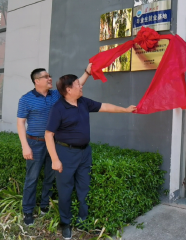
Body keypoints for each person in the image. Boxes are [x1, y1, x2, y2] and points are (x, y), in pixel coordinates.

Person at [44, 74, 136, 240]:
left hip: (85, 153)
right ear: (68, 89)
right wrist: (55, 159)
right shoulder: (58, 108)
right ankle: (65, 223)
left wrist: (125, 109)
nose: (81, 86)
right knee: (65, 191)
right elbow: (48, 134)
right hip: (65, 153)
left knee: (83, 187)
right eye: (78, 84)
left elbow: (105, 106)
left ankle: (83, 220)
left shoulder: (83, 102)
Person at [17, 65, 92, 226]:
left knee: (50, 177)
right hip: (35, 143)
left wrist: (86, 72)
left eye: (50, 76)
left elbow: (74, 86)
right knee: (32, 178)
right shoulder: (25, 99)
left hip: (54, 144)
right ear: (37, 81)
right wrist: (25, 146)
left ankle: (45, 205)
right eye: (46, 77)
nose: (50, 78)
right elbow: (20, 123)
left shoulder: (56, 95)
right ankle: (28, 211)